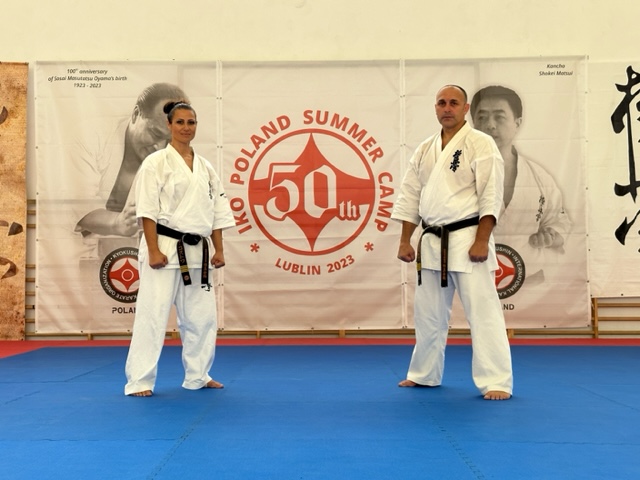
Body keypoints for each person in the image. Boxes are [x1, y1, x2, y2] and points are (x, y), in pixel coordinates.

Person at [392, 85, 513, 400]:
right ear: (435, 107)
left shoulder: (481, 143)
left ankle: (497, 380)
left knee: (483, 312)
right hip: (432, 240)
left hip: (468, 237)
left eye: (454, 103)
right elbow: (410, 195)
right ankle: (424, 374)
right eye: (442, 103)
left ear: (465, 108)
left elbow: (491, 194)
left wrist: (482, 240)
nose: (447, 108)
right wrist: (405, 239)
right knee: (428, 314)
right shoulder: (425, 148)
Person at [124, 101, 236, 397]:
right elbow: (147, 210)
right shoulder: (156, 162)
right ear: (169, 125)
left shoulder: (206, 167)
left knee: (202, 318)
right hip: (164, 245)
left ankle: (198, 375)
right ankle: (139, 380)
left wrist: (219, 250)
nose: (186, 128)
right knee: (152, 315)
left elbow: (216, 211)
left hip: (198, 250)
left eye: (191, 122)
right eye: (181, 122)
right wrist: (153, 250)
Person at [470, 85, 571, 283]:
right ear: (473, 124)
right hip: (472, 276)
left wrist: (551, 235)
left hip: (528, 281)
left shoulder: (538, 177)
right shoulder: (457, 175)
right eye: (482, 117)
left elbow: (559, 221)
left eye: (499, 117)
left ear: (517, 123)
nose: (490, 125)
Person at [75, 83, 188, 240]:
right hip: (77, 246)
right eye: (155, 134)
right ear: (136, 114)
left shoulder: (177, 158)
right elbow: (79, 207)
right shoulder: (93, 136)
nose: (160, 146)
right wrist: (118, 222)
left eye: (169, 140)